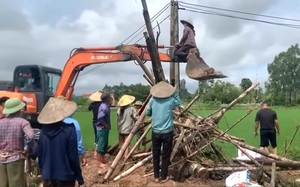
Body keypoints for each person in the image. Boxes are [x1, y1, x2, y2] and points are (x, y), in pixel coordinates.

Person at [37, 97, 84, 187]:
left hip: (48, 177)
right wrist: (79, 178)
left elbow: (40, 156)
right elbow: (73, 156)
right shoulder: (69, 130)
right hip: (66, 177)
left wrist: (44, 173)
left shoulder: (43, 132)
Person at [146, 81, 181, 183]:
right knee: (165, 155)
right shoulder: (170, 101)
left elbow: (148, 113)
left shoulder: (152, 100)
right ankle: (163, 177)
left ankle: (156, 177)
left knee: (155, 154)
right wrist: (174, 92)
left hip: (155, 131)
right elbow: (178, 102)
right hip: (167, 132)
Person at [0, 98, 35, 187]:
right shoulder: (23, 122)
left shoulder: (1, 122)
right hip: (16, 159)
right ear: (18, 110)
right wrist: (27, 149)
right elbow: (31, 136)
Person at [57, 95, 87, 167]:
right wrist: (82, 154)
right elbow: (78, 141)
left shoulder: (50, 124)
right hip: (72, 155)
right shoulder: (73, 123)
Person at [96, 93, 113, 168]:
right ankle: (99, 162)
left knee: (103, 146)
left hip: (104, 129)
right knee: (101, 146)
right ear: (107, 98)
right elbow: (100, 118)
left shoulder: (106, 105)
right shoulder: (104, 107)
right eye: (109, 97)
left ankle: (102, 160)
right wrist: (105, 125)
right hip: (102, 129)